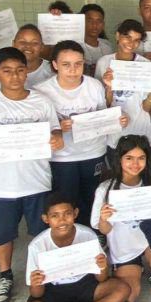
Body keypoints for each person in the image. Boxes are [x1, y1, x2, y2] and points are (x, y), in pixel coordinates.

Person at [0, 47, 64, 302]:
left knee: (42, 231)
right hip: (1, 184)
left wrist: (56, 138)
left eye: (20, 70)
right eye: (7, 71)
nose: (15, 76)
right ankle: (5, 275)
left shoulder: (40, 101)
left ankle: (47, 272)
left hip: (37, 180)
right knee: (3, 235)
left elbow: (55, 128)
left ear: (26, 71)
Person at [18, 193, 130, 302]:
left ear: (75, 214)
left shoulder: (87, 235)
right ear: (45, 219)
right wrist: (36, 283)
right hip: (53, 289)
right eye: (55, 216)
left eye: (67, 214)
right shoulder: (37, 245)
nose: (62, 220)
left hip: (84, 284)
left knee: (122, 289)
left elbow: (102, 279)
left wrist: (102, 266)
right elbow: (37, 293)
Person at [35, 41, 127, 226]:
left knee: (92, 196)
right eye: (66, 64)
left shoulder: (94, 86)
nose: (73, 69)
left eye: (78, 64)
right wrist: (58, 126)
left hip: (93, 152)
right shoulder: (42, 91)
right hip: (61, 157)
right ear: (54, 65)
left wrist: (117, 120)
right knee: (66, 200)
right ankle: (69, 236)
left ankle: (92, 234)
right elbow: (34, 127)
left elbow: (104, 115)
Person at [91, 135, 151, 299]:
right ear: (119, 159)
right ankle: (135, 267)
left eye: (141, 158)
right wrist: (104, 218)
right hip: (124, 247)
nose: (135, 164)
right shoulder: (105, 189)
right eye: (129, 158)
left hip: (149, 240)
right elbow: (103, 229)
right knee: (129, 296)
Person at [97, 19, 151, 153]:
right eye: (128, 37)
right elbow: (102, 105)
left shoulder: (145, 65)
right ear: (118, 36)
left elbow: (146, 108)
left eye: (137, 40)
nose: (132, 43)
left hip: (141, 132)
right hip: (114, 134)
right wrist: (109, 87)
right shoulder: (104, 62)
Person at [0, 24, 54, 91]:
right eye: (22, 42)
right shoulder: (2, 67)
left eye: (34, 43)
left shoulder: (52, 71)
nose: (28, 46)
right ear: (13, 44)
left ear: (42, 47)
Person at [79, 3, 114, 77]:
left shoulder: (107, 47)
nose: (95, 25)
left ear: (103, 24)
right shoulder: (74, 46)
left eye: (99, 21)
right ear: (81, 22)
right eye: (89, 21)